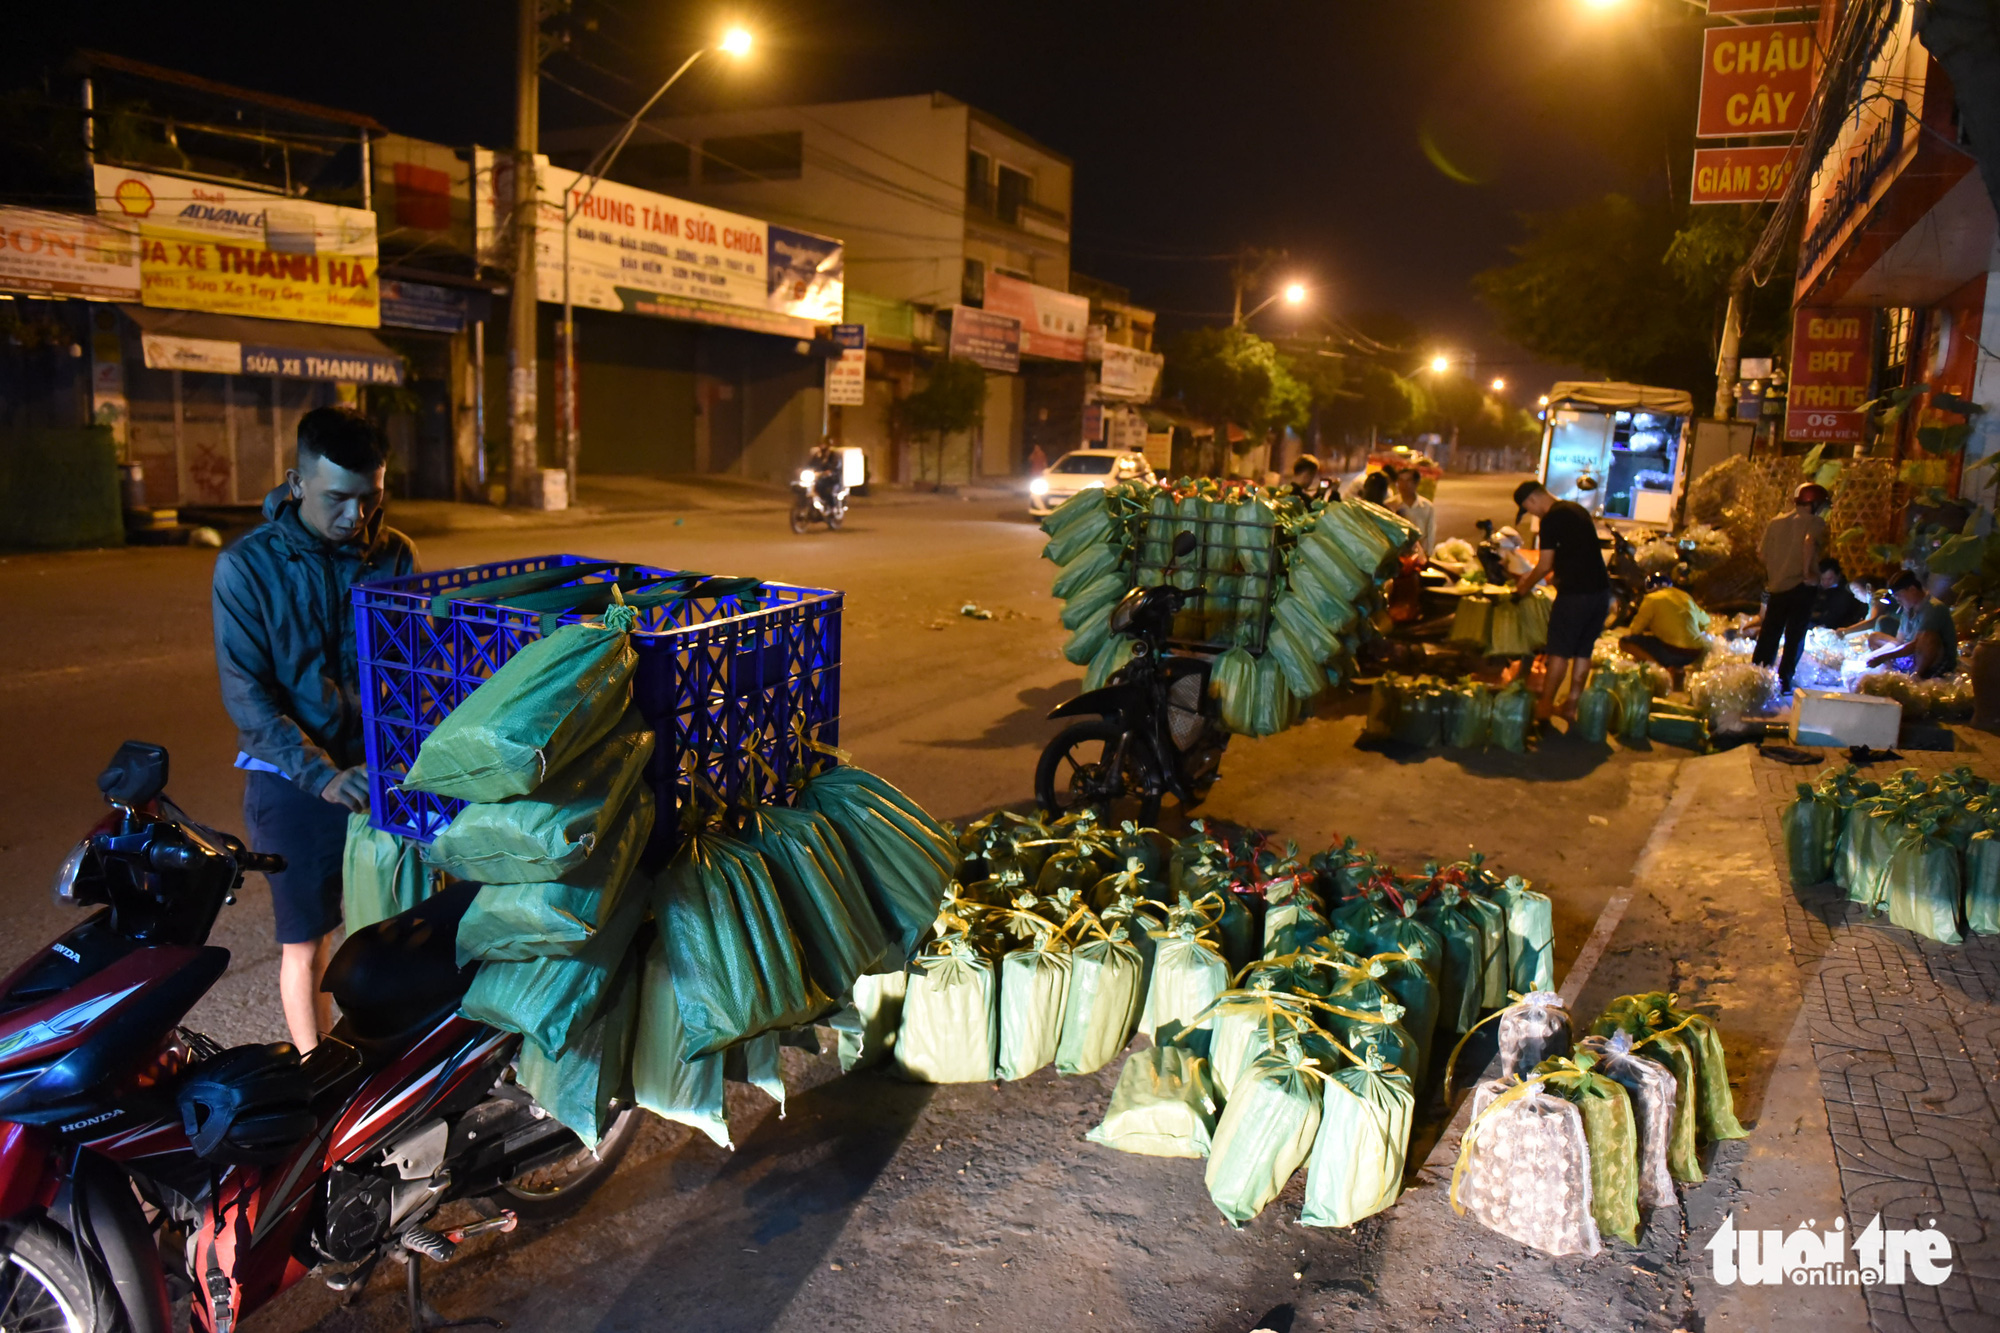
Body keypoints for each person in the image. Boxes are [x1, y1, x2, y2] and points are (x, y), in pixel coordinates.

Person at [212, 406, 417, 1052]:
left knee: (400, 930)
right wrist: (323, 777)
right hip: (293, 783)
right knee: (306, 942)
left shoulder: (394, 556)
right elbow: (250, 700)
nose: (356, 518)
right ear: (296, 483)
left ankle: (397, 1080)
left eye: (371, 499)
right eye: (338, 499)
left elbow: (413, 670)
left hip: (380, 775)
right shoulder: (246, 569)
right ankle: (318, 1071)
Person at [1512, 479, 1612, 723]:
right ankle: (1570, 706)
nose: (1531, 513)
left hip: (1575, 595)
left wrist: (1523, 587)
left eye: (1528, 508)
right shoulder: (1576, 510)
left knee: (1559, 651)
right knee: (1583, 651)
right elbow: (1577, 554)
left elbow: (1544, 564)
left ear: (1533, 499)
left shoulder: (1551, 520)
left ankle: (1544, 707)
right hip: (1600, 592)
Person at [1753, 482, 1830, 691]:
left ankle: (1758, 677)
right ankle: (1784, 680)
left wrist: (1779, 569)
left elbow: (1761, 554)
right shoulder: (1815, 522)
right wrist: (1808, 573)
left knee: (1770, 633)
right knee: (1794, 636)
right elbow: (1809, 542)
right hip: (1801, 586)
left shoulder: (1775, 522)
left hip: (1777, 586)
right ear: (1813, 503)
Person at [1620, 572, 1711, 687]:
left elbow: (1635, 630)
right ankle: (1678, 672)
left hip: (1673, 651)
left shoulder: (1652, 599)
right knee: (1665, 641)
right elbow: (1705, 622)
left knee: (1626, 642)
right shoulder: (1684, 596)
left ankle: (1660, 672)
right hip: (1695, 651)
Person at [1865, 570, 1959, 678]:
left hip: (1931, 660)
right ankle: (1891, 670)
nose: (1897, 599)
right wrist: (1878, 654)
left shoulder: (1934, 608)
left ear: (1912, 590)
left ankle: (1917, 676)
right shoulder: (1907, 609)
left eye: (1898, 595)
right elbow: (1899, 641)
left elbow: (1917, 644)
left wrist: (1885, 656)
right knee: (1874, 637)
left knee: (1928, 637)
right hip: (1910, 656)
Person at [1810, 557, 1869, 630]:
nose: (1825, 583)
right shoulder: (1817, 587)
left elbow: (1834, 617)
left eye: (1829, 579)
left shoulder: (1846, 592)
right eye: (1822, 579)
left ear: (1838, 575)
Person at [1392, 467, 1435, 557]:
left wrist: (1428, 554)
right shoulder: (1390, 504)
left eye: (1408, 481)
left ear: (1416, 483)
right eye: (1400, 480)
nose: (1403, 485)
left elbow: (1430, 533)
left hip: (1419, 556)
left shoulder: (1427, 507)